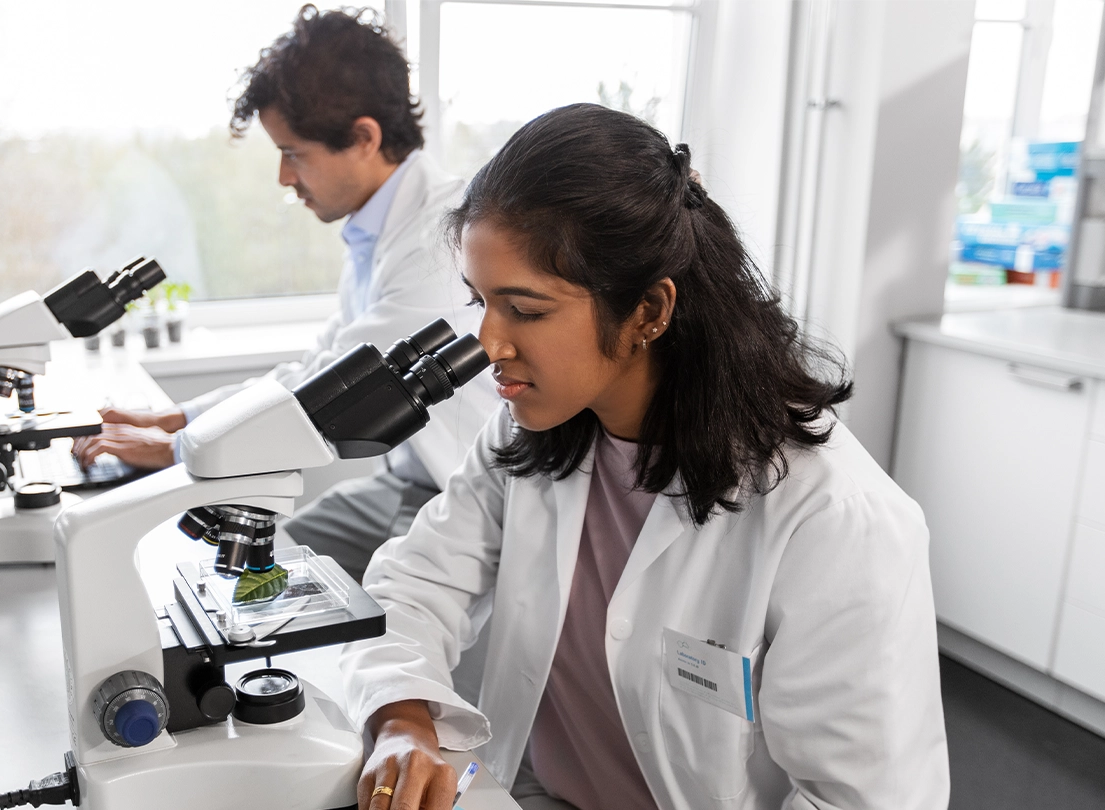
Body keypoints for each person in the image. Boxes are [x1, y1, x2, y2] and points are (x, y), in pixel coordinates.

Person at [340, 104, 950, 810]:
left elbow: (863, 800)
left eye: (526, 310)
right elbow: (413, 586)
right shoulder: (528, 437)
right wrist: (402, 720)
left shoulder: (837, 518)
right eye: (481, 302)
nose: (490, 345)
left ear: (649, 312)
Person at [72, 6, 497, 581]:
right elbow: (315, 365)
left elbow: (333, 395)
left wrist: (177, 448)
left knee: (299, 596)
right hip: (402, 481)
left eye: (293, 153)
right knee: (261, 570)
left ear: (364, 138)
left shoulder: (441, 239)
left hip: (455, 494)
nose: (283, 178)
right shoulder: (376, 230)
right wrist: (177, 418)